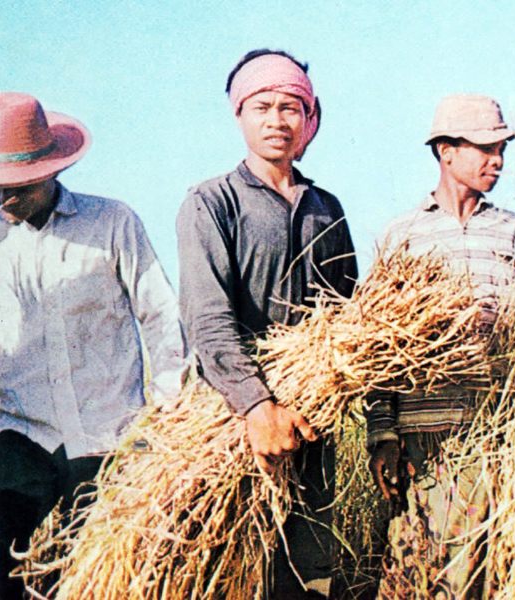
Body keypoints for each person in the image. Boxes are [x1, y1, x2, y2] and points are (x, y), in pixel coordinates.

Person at [0, 92, 187, 598]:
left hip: (108, 432)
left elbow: (159, 313)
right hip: (25, 432)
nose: (4, 199)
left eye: (16, 186)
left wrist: (167, 410)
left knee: (94, 577)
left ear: (49, 168)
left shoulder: (112, 223)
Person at [176, 49, 357, 600]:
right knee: (230, 575)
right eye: (262, 107)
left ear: (308, 119)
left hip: (313, 424)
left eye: (289, 108)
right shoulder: (211, 202)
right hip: (234, 421)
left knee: (305, 578)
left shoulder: (326, 207)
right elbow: (207, 320)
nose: (276, 121)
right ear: (239, 115)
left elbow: (348, 319)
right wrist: (256, 405)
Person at [366, 94, 515, 599]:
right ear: (445, 150)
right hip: (421, 442)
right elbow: (376, 347)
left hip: (493, 439)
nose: (497, 160)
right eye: (484, 148)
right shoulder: (403, 235)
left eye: (501, 148)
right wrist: (382, 435)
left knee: (484, 579)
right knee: (416, 575)